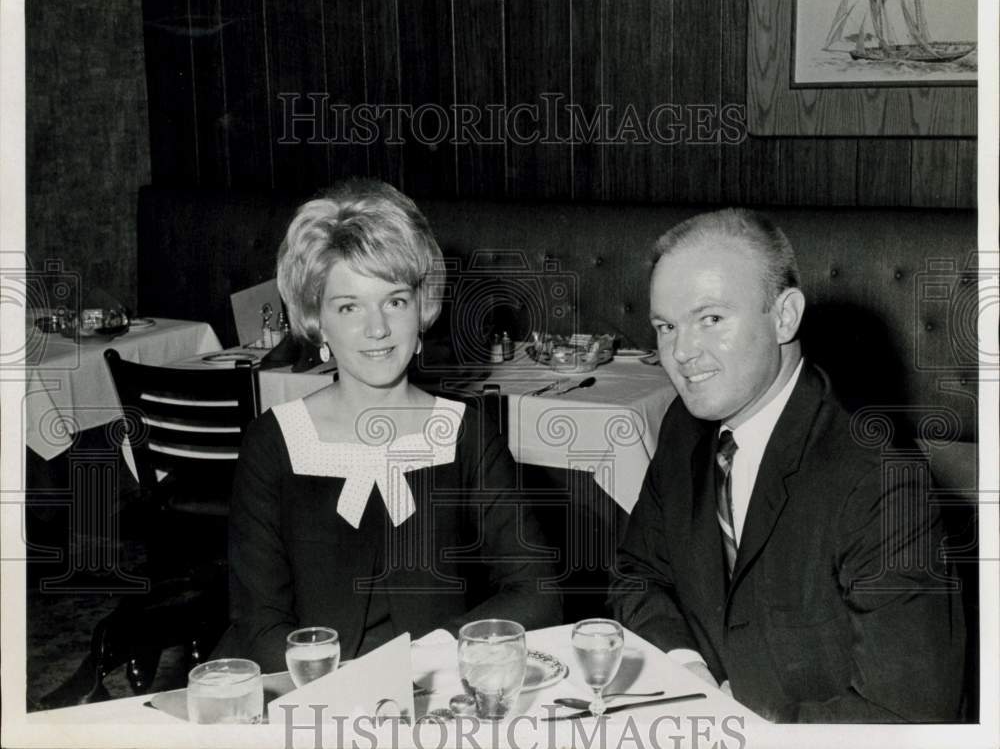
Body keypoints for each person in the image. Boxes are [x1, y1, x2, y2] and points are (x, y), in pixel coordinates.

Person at [609, 208, 965, 722]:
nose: (681, 351)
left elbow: (909, 716)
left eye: (710, 318)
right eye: (666, 326)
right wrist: (688, 672)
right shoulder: (683, 428)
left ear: (784, 316)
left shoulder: (880, 479)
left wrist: (747, 722)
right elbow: (639, 576)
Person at [225, 179, 561, 672]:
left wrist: (426, 660)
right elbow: (258, 624)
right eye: (349, 306)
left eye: (395, 301)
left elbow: (538, 592)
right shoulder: (274, 442)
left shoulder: (464, 432)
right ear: (318, 322)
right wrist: (339, 688)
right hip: (312, 699)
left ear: (421, 311)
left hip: (439, 693)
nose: (377, 328)